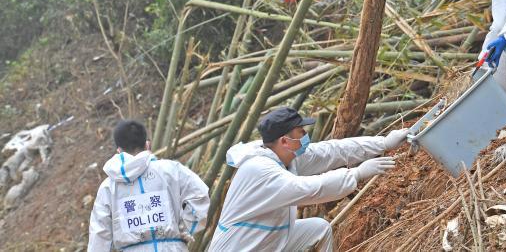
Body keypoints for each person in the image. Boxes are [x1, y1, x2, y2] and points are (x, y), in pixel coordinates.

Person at [208, 107, 407, 252]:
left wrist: (383, 142)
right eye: (301, 132)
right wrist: (356, 174)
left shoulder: (287, 156)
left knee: (318, 229)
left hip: (272, 237)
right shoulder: (259, 170)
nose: (306, 136)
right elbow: (308, 189)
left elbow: (333, 151)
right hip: (241, 246)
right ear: (285, 141)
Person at [88, 120, 209, 252]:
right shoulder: (171, 170)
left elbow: (99, 233)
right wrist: (187, 228)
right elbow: (200, 195)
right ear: (147, 145)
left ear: (119, 150)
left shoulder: (109, 187)